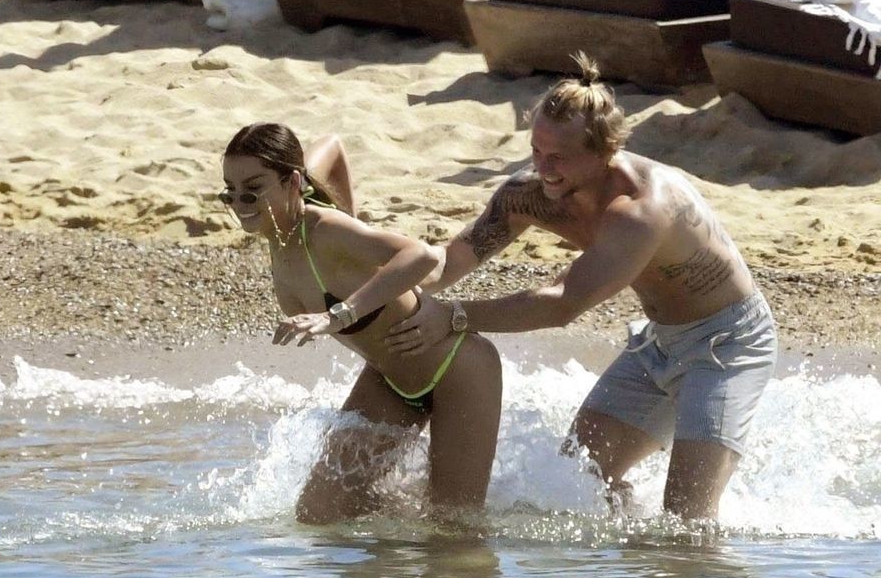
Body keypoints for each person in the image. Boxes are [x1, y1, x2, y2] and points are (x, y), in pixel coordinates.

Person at [387, 58, 777, 522]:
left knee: (687, 518)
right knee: (580, 480)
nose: (543, 169)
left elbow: (562, 304)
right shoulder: (529, 194)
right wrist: (377, 278)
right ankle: (628, 555)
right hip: (659, 342)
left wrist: (451, 316)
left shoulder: (641, 209)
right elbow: (451, 261)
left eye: (558, 157)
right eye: (536, 150)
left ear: (604, 151)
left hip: (728, 345)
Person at [223, 124, 502, 523]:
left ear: (293, 182)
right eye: (229, 192)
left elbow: (423, 256)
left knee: (452, 531)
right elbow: (331, 146)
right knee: (318, 515)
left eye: (252, 190)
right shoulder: (279, 231)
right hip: (390, 382)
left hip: (456, 371)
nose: (240, 203)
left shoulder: (325, 229)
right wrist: (352, 231)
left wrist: (339, 313)